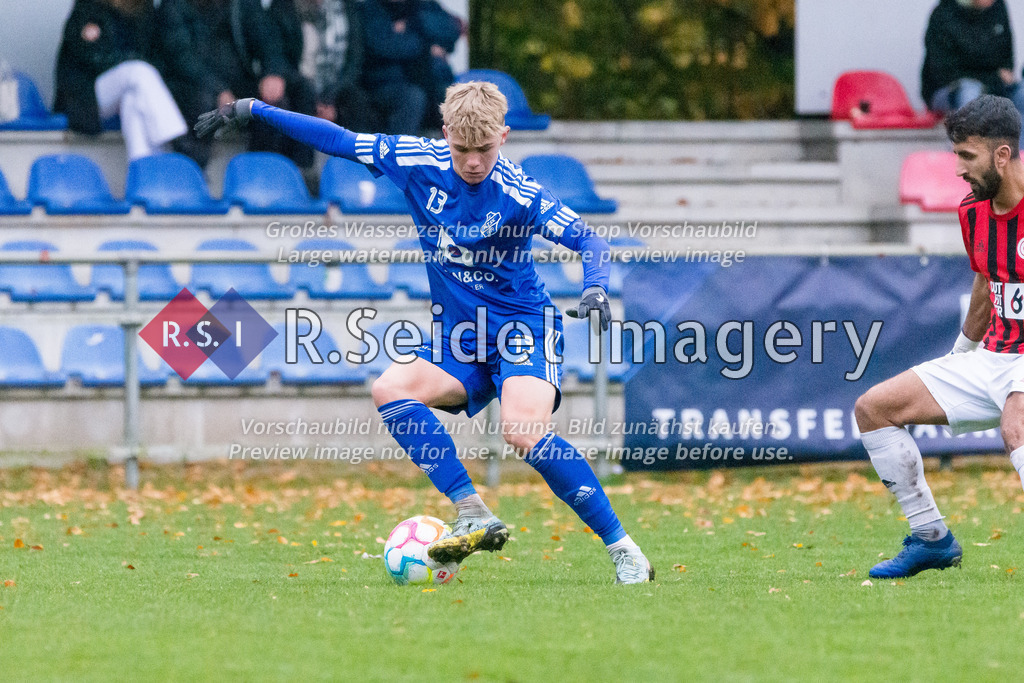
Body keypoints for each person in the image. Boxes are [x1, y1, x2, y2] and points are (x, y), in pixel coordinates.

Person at [194, 81, 655, 584]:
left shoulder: (520, 191)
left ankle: (625, 550)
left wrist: (595, 289)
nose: (474, 161)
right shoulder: (415, 159)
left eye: (485, 149)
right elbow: (338, 140)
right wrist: (253, 109)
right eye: (462, 149)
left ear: (503, 136)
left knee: (522, 431)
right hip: (460, 337)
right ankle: (473, 511)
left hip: (523, 326)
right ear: (445, 134)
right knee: (389, 389)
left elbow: (589, 239)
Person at [854, 94, 1024, 579]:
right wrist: (962, 355)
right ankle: (931, 539)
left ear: (1002, 155)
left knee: (1017, 426)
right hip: (993, 357)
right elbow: (986, 283)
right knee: (874, 408)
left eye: (966, 156)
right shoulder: (973, 212)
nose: (957, 170)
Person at [152, 0, 313, 169]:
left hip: (238, 84)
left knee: (298, 90)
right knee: (203, 100)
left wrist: (272, 73)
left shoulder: (242, 4)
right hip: (192, 86)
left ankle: (299, 172)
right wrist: (219, 90)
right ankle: (194, 172)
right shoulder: (172, 6)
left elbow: (267, 38)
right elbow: (182, 59)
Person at [54, 0, 188, 160]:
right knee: (138, 71)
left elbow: (156, 56)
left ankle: (143, 171)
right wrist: (131, 60)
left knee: (132, 101)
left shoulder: (145, 9)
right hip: (86, 95)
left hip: (131, 87)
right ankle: (178, 142)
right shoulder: (88, 6)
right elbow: (91, 57)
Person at [921, 0, 1024, 143]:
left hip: (993, 86)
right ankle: (968, 158)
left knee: (1021, 93)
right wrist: (993, 75)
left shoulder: (998, 7)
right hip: (947, 90)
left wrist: (997, 76)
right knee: (970, 93)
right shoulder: (943, 14)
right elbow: (946, 73)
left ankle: (1017, 158)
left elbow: (1007, 59)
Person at [359, 0, 461, 134]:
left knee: (455, 98)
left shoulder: (423, 5)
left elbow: (451, 31)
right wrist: (426, 48)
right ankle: (397, 153)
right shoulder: (369, 9)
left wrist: (413, 24)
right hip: (384, 84)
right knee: (413, 99)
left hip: (427, 83)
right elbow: (383, 47)